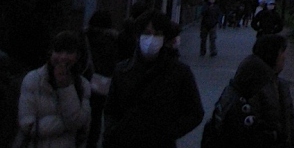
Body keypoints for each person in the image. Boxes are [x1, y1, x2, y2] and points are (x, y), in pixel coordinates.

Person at [102, 11, 203, 148]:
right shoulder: (122, 70)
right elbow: (111, 109)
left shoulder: (179, 72)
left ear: (165, 38)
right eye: (147, 33)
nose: (151, 39)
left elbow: (195, 112)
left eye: (157, 34)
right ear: (138, 36)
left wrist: (169, 132)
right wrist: (114, 131)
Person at [204, 34, 294, 148]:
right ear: (273, 54)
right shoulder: (252, 87)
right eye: (282, 52)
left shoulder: (280, 85)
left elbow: (291, 125)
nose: (285, 56)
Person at [16, 32, 91, 148]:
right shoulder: (33, 80)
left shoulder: (83, 85)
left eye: (69, 52)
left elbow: (82, 125)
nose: (63, 57)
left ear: (77, 56)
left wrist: (66, 88)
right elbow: (28, 125)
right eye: (58, 51)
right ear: (51, 53)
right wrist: (66, 123)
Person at [84, 11, 118, 148]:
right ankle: (92, 142)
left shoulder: (85, 37)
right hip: (102, 83)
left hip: (85, 79)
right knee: (97, 115)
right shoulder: (112, 40)